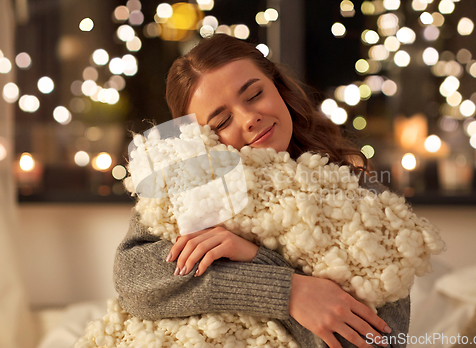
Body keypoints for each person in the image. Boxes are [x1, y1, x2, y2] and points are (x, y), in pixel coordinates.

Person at [114, 34, 410, 348]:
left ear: (278, 87)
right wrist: (286, 290)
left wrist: (252, 257)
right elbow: (135, 281)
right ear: (199, 140)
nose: (249, 118)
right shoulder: (187, 194)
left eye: (254, 94)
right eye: (222, 120)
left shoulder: (360, 193)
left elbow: (381, 342)